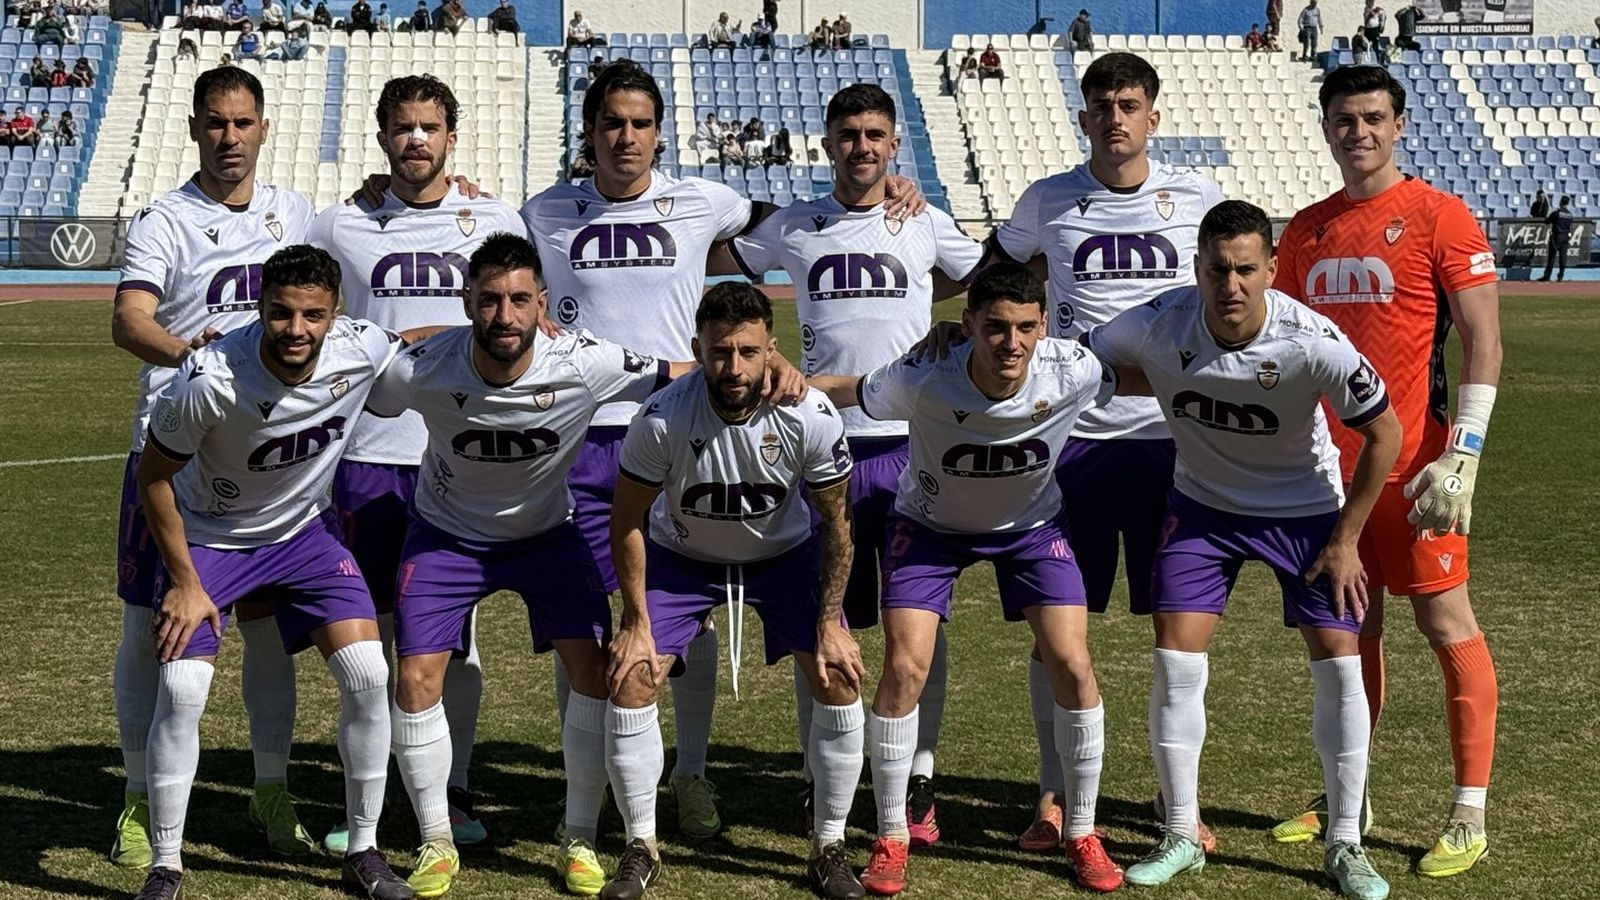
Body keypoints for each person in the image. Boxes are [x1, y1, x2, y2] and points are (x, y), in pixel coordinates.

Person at [519, 62, 912, 846]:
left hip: (683, 430)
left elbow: (797, 222)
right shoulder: (543, 210)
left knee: (684, 624)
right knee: (598, 636)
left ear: (659, 133)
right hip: (581, 439)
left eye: (639, 124)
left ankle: (689, 776)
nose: (625, 137)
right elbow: (492, 258)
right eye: (610, 123)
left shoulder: (704, 200)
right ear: (588, 132)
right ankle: (586, 797)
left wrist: (889, 197)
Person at [1093, 200, 1401, 900]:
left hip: (1306, 513)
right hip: (1202, 510)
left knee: (1339, 662)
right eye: (1216, 271)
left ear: (1269, 270)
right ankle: (1179, 834)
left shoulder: (1312, 340)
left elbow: (1385, 432)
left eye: (1244, 270)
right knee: (1175, 657)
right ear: (1196, 269)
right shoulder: (1157, 321)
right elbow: (1084, 367)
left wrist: (1348, 538)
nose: (1229, 286)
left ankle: (1345, 843)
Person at [366, 233, 689, 898]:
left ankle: (577, 836)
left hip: (548, 534)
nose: (504, 317)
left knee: (594, 672)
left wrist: (765, 367)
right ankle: (436, 839)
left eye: (519, 301)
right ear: (468, 303)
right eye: (488, 301)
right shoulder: (426, 365)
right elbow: (372, 378)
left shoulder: (585, 359)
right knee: (415, 676)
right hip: (445, 537)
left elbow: (677, 374)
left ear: (543, 304)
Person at [978, 51, 1224, 854]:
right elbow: (992, 277)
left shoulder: (1197, 199)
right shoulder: (1048, 200)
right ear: (1082, 116)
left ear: (1153, 114)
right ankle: (1053, 794)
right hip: (1073, 447)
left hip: (1173, 449)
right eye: (1100, 104)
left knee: (1176, 636)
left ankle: (1175, 799)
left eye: (1128, 103)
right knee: (1057, 634)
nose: (1114, 117)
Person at [810, 262, 1121, 895]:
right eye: (997, 328)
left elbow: (1144, 377)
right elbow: (848, 392)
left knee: (1074, 665)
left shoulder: (1074, 369)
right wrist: (781, 380)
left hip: (1033, 531)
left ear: (1043, 326)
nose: (1012, 344)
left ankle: (1082, 831)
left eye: (1027, 328)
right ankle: (893, 835)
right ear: (969, 324)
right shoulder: (923, 376)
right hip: (928, 528)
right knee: (904, 669)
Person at [131, 244, 427, 900]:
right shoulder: (210, 376)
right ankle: (166, 864)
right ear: (260, 308)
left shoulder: (362, 347)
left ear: (336, 313)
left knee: (368, 674)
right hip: (211, 541)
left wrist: (500, 325)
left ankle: (365, 851)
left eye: (313, 316)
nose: (297, 330)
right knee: (181, 690)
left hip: (304, 538)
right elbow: (154, 478)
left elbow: (416, 346)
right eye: (282, 314)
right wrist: (184, 581)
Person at [728, 84, 982, 845]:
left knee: (917, 623)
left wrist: (953, 336)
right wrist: (763, 350)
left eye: (875, 135)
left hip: (911, 448)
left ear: (894, 144)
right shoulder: (795, 225)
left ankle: (919, 776)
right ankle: (819, 776)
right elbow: (721, 266)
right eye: (848, 135)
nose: (862, 147)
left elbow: (990, 277)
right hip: (821, 445)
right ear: (828, 142)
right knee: (822, 618)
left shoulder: (924, 219)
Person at [1270, 63, 1504, 880]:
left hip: (1416, 472)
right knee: (1348, 634)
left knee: (1446, 626)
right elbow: (1289, 351)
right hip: (1329, 480)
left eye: (1373, 117)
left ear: (1398, 125)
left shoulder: (1440, 217)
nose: (1359, 132)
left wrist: (1463, 449)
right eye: (1344, 118)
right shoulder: (1305, 231)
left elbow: (1483, 340)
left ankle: (1469, 813)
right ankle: (1350, 799)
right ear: (1328, 127)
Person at [306, 73, 526, 858]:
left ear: (452, 138)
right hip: (362, 462)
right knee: (367, 649)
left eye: (430, 128)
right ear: (382, 136)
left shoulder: (497, 219)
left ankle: (452, 786)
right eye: (402, 128)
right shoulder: (342, 225)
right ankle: (363, 799)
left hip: (456, 466)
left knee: (450, 643)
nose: (416, 142)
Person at [108, 66, 317, 876]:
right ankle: (134, 794)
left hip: (268, 461)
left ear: (263, 127)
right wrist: (195, 357)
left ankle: (271, 790)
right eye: (214, 124)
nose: (229, 138)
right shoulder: (164, 218)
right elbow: (130, 319)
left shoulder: (295, 214)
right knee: (146, 628)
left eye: (242, 123)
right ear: (195, 129)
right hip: (172, 451)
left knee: (266, 632)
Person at [602, 282, 863, 900]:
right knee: (633, 673)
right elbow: (628, 521)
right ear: (698, 347)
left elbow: (838, 525)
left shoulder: (808, 414)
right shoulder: (663, 416)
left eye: (748, 352)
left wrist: (829, 621)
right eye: (720, 352)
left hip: (782, 557)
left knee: (839, 674)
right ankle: (642, 845)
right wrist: (636, 618)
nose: (734, 367)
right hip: (682, 556)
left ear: (771, 348)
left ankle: (829, 845)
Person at [1537, 195, 1574, 282]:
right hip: (1566, 236)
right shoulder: (1570, 215)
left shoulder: (1557, 213)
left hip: (1557, 236)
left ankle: (1547, 275)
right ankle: (1560, 276)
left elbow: (1547, 221)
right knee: (1563, 257)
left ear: (1561, 202)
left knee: (1552, 257)